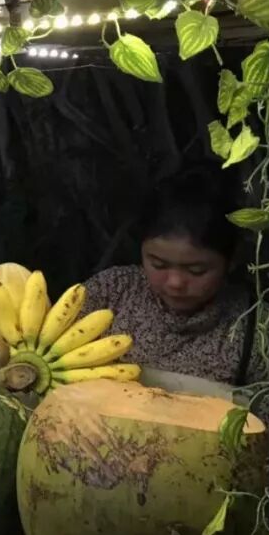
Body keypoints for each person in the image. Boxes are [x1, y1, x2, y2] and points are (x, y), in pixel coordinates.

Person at [82, 164, 256, 387]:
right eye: (159, 265)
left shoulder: (254, 327)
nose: (175, 283)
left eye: (196, 270)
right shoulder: (111, 293)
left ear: (231, 261)